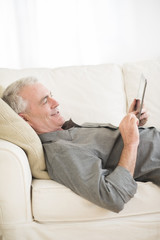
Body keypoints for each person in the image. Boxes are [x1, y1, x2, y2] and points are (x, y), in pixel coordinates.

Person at [2, 77, 159, 213]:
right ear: (25, 120)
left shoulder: (66, 131)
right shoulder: (60, 151)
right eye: (45, 101)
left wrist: (133, 124)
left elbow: (112, 149)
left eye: (51, 96)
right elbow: (112, 196)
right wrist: (131, 143)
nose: (56, 102)